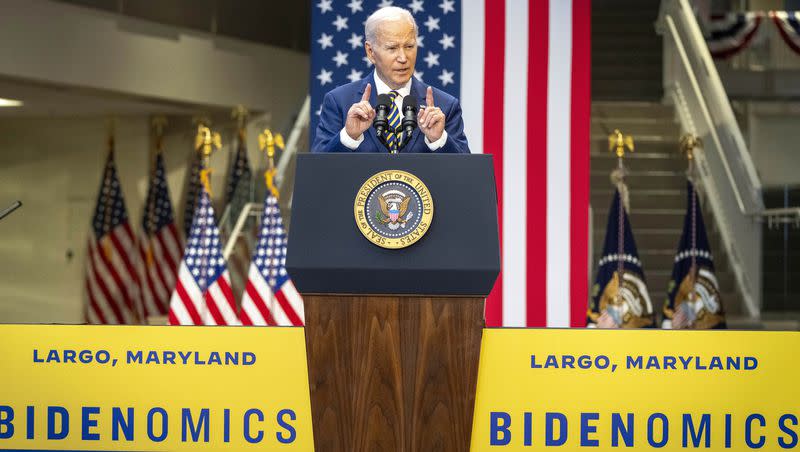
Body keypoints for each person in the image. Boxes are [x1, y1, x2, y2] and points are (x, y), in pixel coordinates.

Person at [312, 6, 470, 154]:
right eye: (392, 48)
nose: (403, 58)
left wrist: (439, 140)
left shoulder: (445, 106)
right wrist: (348, 137)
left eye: (409, 46)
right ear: (370, 52)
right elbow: (316, 171)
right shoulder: (339, 101)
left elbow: (466, 174)